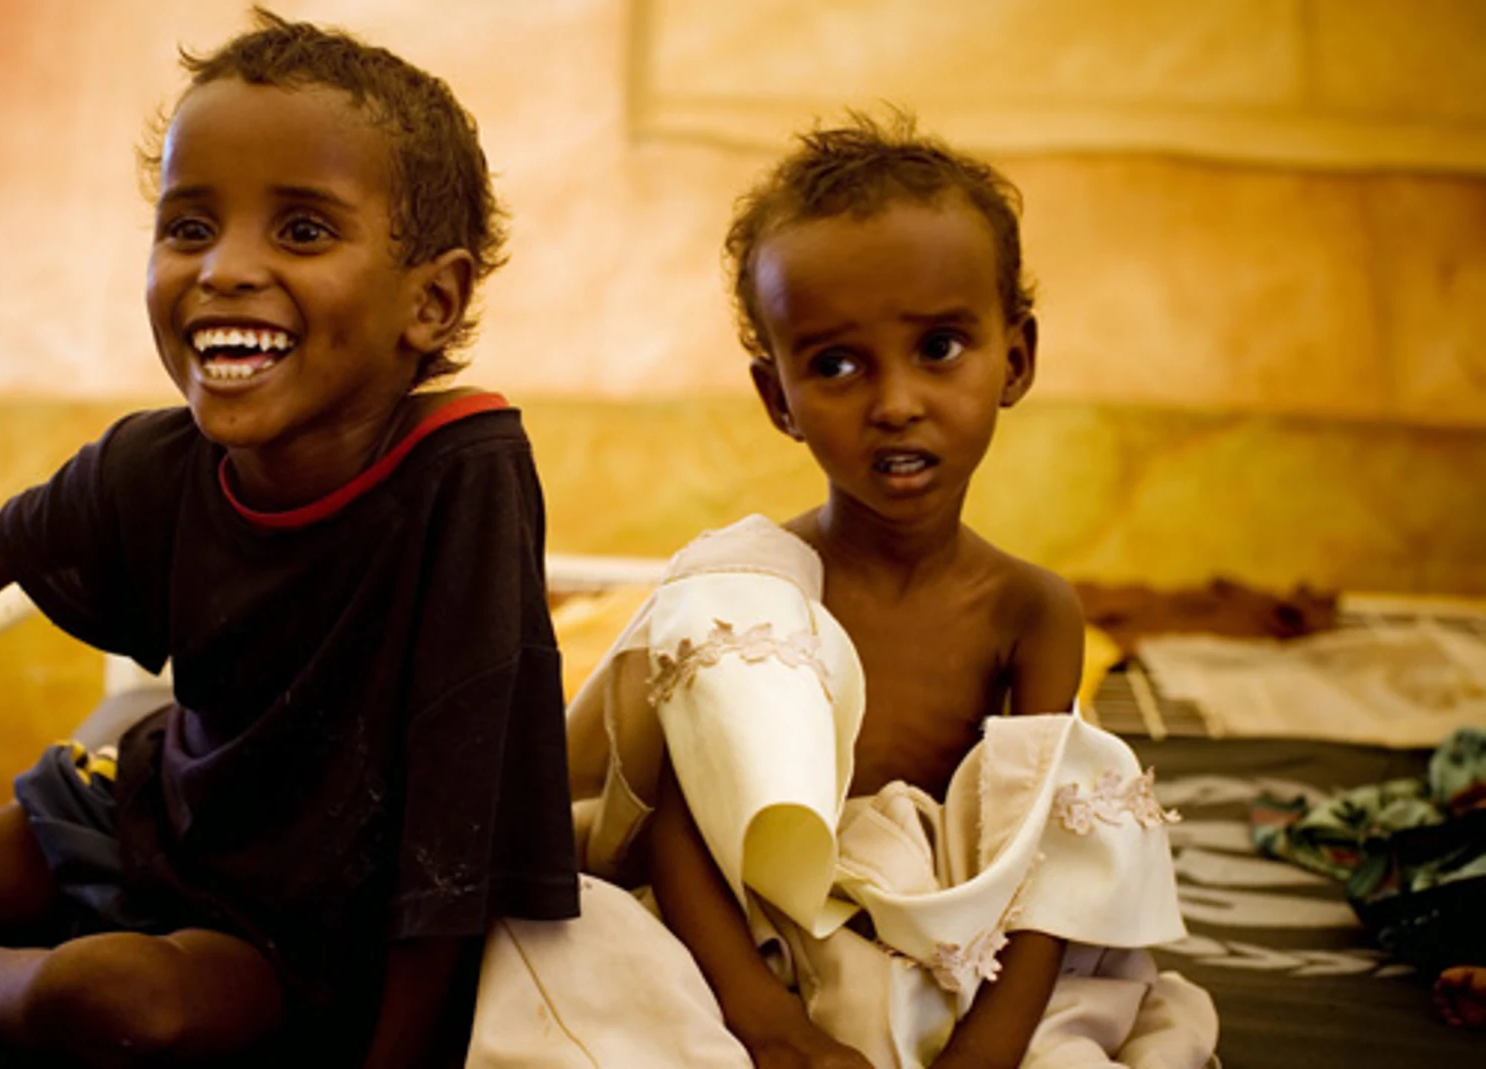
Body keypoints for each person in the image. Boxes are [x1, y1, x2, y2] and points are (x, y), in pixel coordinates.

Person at [0, 11, 580, 1067]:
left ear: (433, 299)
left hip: (297, 937)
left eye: (303, 231)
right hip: (155, 822)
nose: (224, 269)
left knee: (119, 1001)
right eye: (188, 226)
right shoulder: (161, 461)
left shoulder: (464, 478)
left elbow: (453, 847)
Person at [469, 114, 1216, 1069]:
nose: (896, 400)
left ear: (1015, 360)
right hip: (744, 943)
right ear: (777, 396)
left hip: (952, 954)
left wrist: (983, 1052)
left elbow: (1046, 869)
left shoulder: (1029, 612)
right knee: (560, 954)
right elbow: (686, 836)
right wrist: (770, 1025)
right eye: (835, 364)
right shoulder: (755, 600)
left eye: (940, 346)